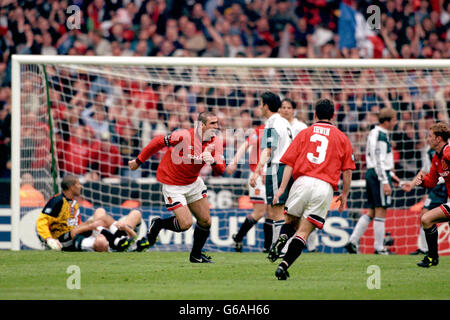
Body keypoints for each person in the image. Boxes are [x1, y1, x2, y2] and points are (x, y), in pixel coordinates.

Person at [268, 99, 355, 280]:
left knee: (290, 222)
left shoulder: (304, 133)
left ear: (315, 114)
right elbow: (347, 171)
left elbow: (289, 163)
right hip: (324, 187)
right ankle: (283, 266)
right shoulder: (342, 137)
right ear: (333, 116)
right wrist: (344, 195)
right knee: (304, 232)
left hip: (302, 181)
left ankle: (282, 239)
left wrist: (282, 188)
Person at [128, 112, 226, 263]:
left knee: (206, 220)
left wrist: (212, 161)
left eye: (217, 123)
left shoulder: (215, 143)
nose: (216, 126)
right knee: (185, 224)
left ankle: (196, 255)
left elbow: (221, 170)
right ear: (202, 125)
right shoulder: (184, 136)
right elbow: (157, 142)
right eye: (212, 123)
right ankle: (159, 223)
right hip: (173, 183)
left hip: (193, 182)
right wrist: (138, 161)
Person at [345, 108, 401, 255]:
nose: (395, 123)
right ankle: (379, 248)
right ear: (387, 121)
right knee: (381, 210)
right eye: (394, 120)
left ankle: (352, 241)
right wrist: (385, 180)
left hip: (371, 173)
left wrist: (391, 174)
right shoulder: (381, 135)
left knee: (371, 210)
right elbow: (379, 159)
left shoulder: (373, 132)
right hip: (378, 174)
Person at [249, 91, 294, 251]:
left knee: (276, 212)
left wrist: (256, 172)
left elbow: (268, 149)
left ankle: (279, 250)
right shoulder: (285, 122)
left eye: (260, 104)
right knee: (282, 211)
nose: (259, 107)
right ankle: (279, 248)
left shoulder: (272, 123)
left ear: (266, 106)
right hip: (288, 168)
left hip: (277, 167)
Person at [36, 175, 128, 251]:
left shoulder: (73, 202)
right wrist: (49, 239)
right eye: (79, 184)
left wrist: (89, 227)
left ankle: (119, 240)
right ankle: (118, 239)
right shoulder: (57, 201)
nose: (81, 186)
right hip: (61, 239)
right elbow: (41, 222)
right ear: (71, 187)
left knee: (101, 221)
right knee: (92, 224)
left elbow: (77, 223)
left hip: (74, 237)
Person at [402, 122, 450, 268]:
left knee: (426, 218)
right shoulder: (436, 158)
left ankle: (431, 257)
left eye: (430, 136)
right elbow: (432, 182)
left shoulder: (448, 153)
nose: (427, 139)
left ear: (438, 139)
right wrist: (422, 181)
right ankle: (432, 257)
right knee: (426, 219)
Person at [226, 122, 269, 252]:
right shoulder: (262, 130)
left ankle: (267, 248)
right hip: (258, 176)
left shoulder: (285, 129)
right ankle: (239, 237)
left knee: (272, 213)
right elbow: (246, 144)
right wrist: (234, 162)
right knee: (260, 212)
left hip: (274, 176)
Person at [79, 207, 150, 252]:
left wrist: (89, 226)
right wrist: (126, 228)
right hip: (120, 233)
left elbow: (75, 232)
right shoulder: (118, 245)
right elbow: (134, 237)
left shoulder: (87, 243)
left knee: (100, 211)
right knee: (136, 213)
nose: (101, 239)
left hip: (104, 230)